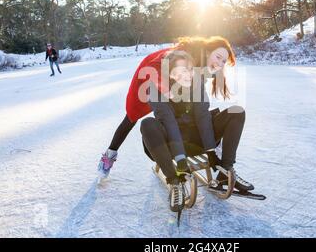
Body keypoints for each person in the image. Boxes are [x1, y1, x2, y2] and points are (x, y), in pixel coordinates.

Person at [97, 36, 237, 178]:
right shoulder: (181, 54)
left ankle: (205, 145)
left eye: (223, 61)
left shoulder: (205, 62)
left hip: (171, 85)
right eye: (218, 57)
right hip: (147, 83)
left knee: (191, 109)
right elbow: (152, 68)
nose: (220, 63)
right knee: (131, 117)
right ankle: (109, 155)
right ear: (208, 51)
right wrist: (165, 90)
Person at [140, 50, 254, 213]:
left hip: (197, 138)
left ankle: (225, 170)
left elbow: (202, 115)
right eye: (177, 72)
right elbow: (170, 124)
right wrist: (180, 159)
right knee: (147, 124)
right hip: (171, 145)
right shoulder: (156, 90)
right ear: (170, 75)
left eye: (187, 70)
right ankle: (175, 182)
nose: (185, 76)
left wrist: (210, 151)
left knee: (236, 112)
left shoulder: (196, 82)